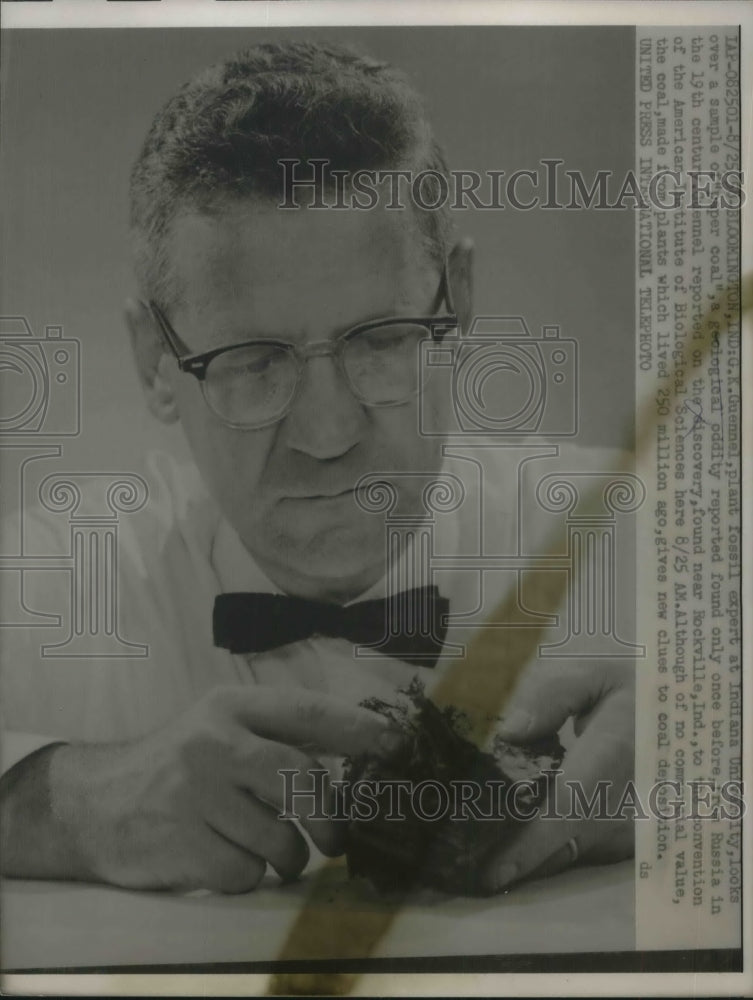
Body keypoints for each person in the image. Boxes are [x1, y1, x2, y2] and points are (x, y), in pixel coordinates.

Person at [0, 41, 634, 896]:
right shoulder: (42, 583)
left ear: (460, 297)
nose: (329, 434)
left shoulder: (661, 538)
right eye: (255, 360)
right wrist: (61, 802)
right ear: (155, 360)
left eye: (379, 341)